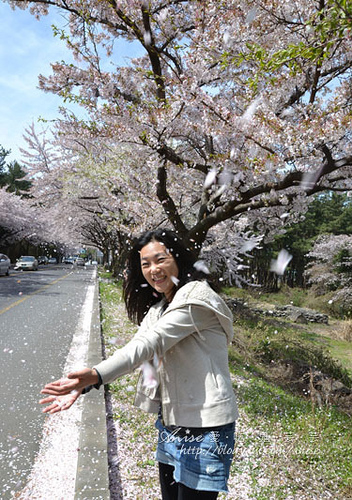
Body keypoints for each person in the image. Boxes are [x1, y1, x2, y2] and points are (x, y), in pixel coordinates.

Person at [40, 229, 239, 499]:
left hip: (206, 428)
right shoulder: (160, 308)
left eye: (161, 260)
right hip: (171, 422)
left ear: (178, 259)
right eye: (145, 264)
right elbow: (136, 347)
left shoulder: (196, 299)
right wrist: (86, 384)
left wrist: (96, 375)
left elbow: (150, 344)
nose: (153, 269)